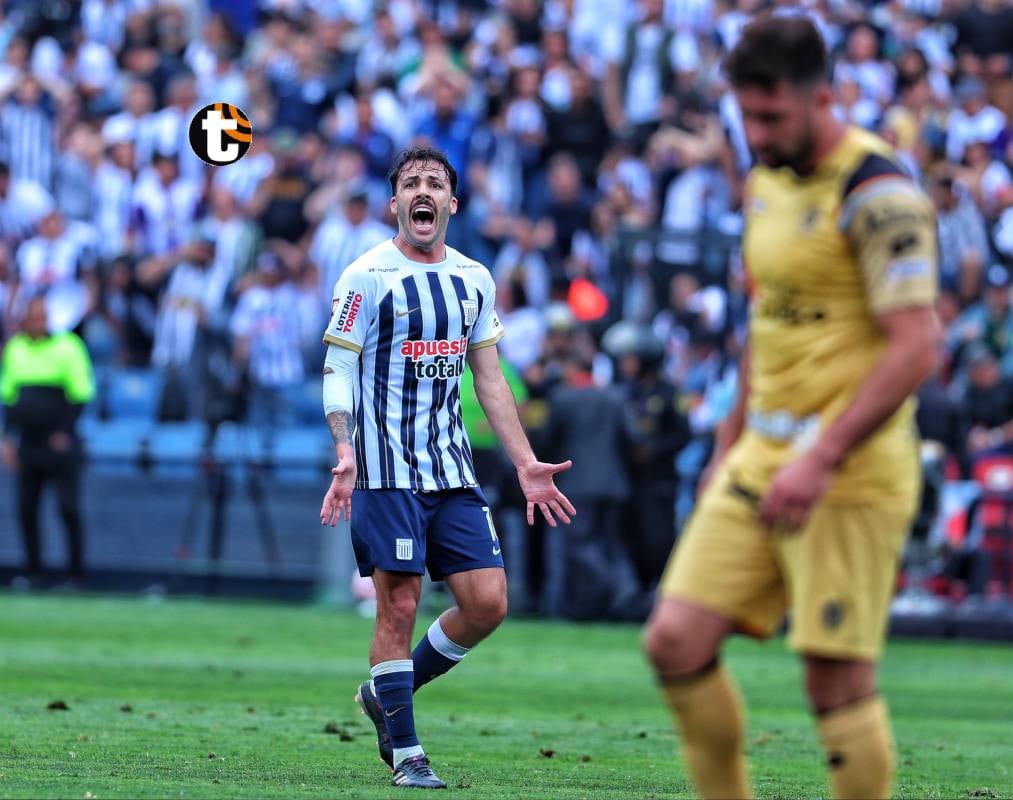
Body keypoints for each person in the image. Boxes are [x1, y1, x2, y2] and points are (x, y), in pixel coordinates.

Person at [641, 15, 942, 800]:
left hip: (848, 471)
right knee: (674, 642)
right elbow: (765, 322)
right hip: (760, 456)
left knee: (832, 684)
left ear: (825, 97)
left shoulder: (878, 191)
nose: (757, 131)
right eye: (747, 114)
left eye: (772, 116)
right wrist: (726, 446)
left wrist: (821, 457)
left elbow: (916, 345)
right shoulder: (764, 179)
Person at [317, 146, 574, 790]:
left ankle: (386, 692)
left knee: (486, 604)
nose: (423, 191)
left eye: (436, 183)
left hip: (451, 469)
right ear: (395, 203)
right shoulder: (366, 276)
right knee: (398, 606)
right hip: (384, 469)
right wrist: (344, 451)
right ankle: (406, 753)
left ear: (452, 204)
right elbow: (338, 368)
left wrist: (525, 463)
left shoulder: (474, 279)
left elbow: (488, 378)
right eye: (412, 183)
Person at [1, 296, 96, 588]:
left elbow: (80, 392)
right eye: (34, 317)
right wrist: (6, 439)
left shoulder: (68, 346)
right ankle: (33, 572)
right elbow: (9, 397)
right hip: (28, 443)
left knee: (68, 508)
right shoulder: (16, 349)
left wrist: (64, 432)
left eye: (43, 316)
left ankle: (76, 574)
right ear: (25, 320)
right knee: (26, 509)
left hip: (60, 442)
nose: (39, 322)